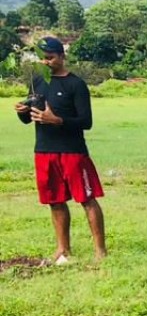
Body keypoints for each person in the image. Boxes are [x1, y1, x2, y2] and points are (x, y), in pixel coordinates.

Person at [13, 36, 108, 264]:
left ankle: (100, 251)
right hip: (44, 151)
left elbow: (86, 121)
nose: (46, 62)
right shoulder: (38, 81)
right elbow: (29, 118)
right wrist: (21, 111)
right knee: (55, 201)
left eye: (50, 58)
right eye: (43, 58)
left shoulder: (76, 85)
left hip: (72, 152)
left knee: (87, 199)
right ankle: (63, 249)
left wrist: (57, 120)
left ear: (62, 56)